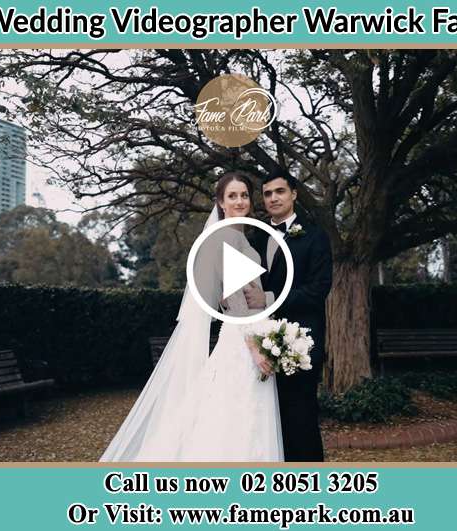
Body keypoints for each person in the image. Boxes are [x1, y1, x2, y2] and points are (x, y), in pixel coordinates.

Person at [99, 172, 284, 462]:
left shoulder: (239, 236)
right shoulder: (225, 237)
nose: (239, 201)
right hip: (243, 342)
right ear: (221, 203)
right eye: (232, 196)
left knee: (233, 416)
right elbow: (234, 302)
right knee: (234, 416)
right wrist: (255, 347)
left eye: (244, 195)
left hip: (250, 333)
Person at [244, 169, 333, 462]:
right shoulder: (255, 238)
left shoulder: (315, 236)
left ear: (293, 194)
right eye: (267, 193)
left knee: (301, 420)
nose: (273, 198)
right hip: (260, 344)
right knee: (267, 423)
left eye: (279, 191)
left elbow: (318, 290)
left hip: (301, 343)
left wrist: (269, 298)